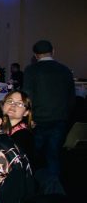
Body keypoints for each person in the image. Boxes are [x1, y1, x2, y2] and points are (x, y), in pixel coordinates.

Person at [22, 39, 74, 194]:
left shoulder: (31, 71)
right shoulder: (64, 70)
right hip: (59, 119)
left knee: (33, 156)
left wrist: (28, 118)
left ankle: (31, 188)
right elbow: (71, 97)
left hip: (38, 120)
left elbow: (28, 96)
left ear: (35, 55)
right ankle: (54, 192)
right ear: (53, 51)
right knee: (53, 155)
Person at [2, 90, 36, 169]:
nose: (13, 105)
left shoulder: (23, 136)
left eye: (19, 104)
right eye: (10, 101)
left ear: (26, 112)